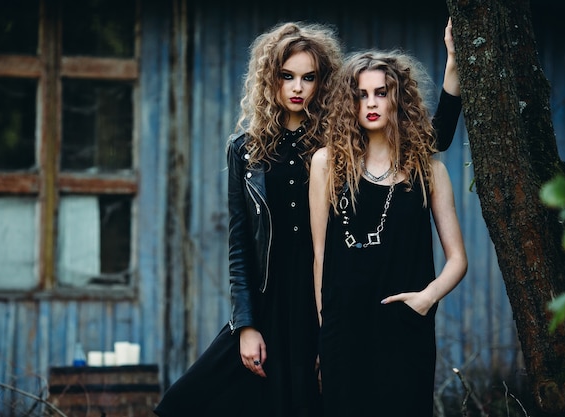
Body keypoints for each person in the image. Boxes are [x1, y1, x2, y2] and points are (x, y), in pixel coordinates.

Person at [154, 20, 460, 417]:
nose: (297, 87)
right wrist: (246, 324)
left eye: (309, 77)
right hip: (270, 297)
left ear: (324, 82)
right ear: (270, 79)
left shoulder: (339, 139)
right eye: (287, 76)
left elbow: (427, 139)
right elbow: (240, 242)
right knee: (185, 402)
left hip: (324, 294)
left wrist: (453, 65)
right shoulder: (245, 150)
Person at [308, 46, 468, 417]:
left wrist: (426, 299)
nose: (372, 103)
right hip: (343, 329)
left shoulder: (429, 170)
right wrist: (324, 329)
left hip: (405, 326)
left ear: (399, 97)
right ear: (349, 103)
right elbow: (320, 255)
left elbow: (458, 259)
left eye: (381, 92)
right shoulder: (326, 164)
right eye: (361, 95)